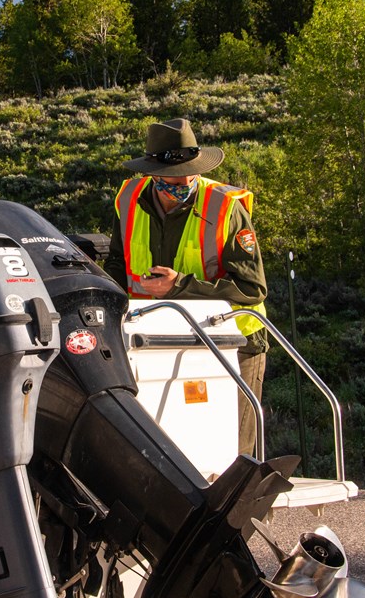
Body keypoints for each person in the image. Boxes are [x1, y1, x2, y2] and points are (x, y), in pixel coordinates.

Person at [103, 118, 269, 457]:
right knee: (173, 450)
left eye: (191, 173)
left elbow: (252, 289)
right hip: (158, 344)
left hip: (235, 343)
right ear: (151, 173)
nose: (185, 183)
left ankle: (250, 511)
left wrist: (180, 286)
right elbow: (117, 267)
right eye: (174, 179)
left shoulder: (225, 207)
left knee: (235, 454)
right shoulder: (128, 200)